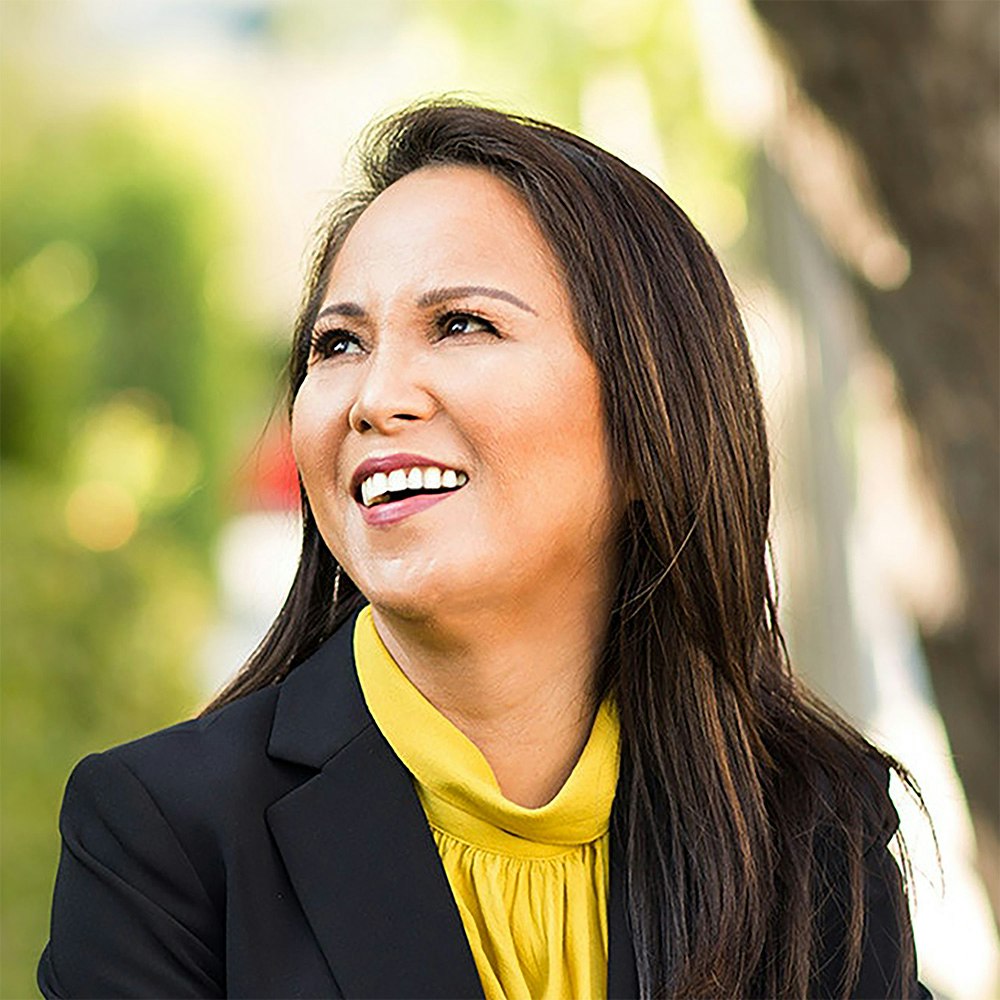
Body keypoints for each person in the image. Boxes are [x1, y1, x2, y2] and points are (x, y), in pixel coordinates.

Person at [38, 101, 930, 999]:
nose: (375, 396)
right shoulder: (165, 842)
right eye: (338, 343)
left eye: (462, 324)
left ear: (651, 411)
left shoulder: (812, 829)